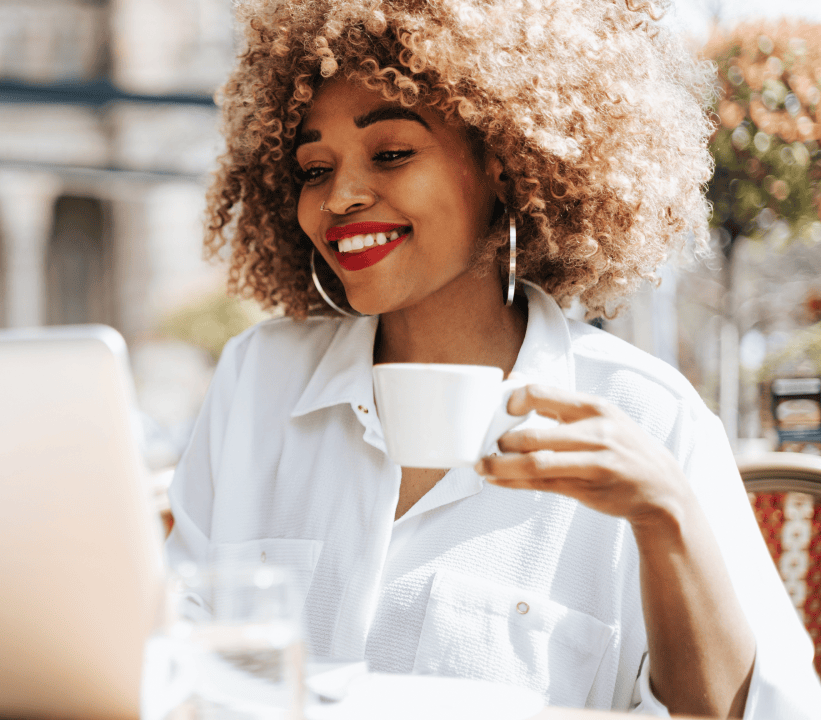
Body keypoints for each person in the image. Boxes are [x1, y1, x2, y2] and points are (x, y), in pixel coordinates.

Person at [164, 0, 821, 717]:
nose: (339, 198)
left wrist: (666, 519)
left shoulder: (648, 416)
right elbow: (168, 652)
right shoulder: (257, 380)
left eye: (391, 153)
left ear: (505, 164)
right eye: (315, 168)